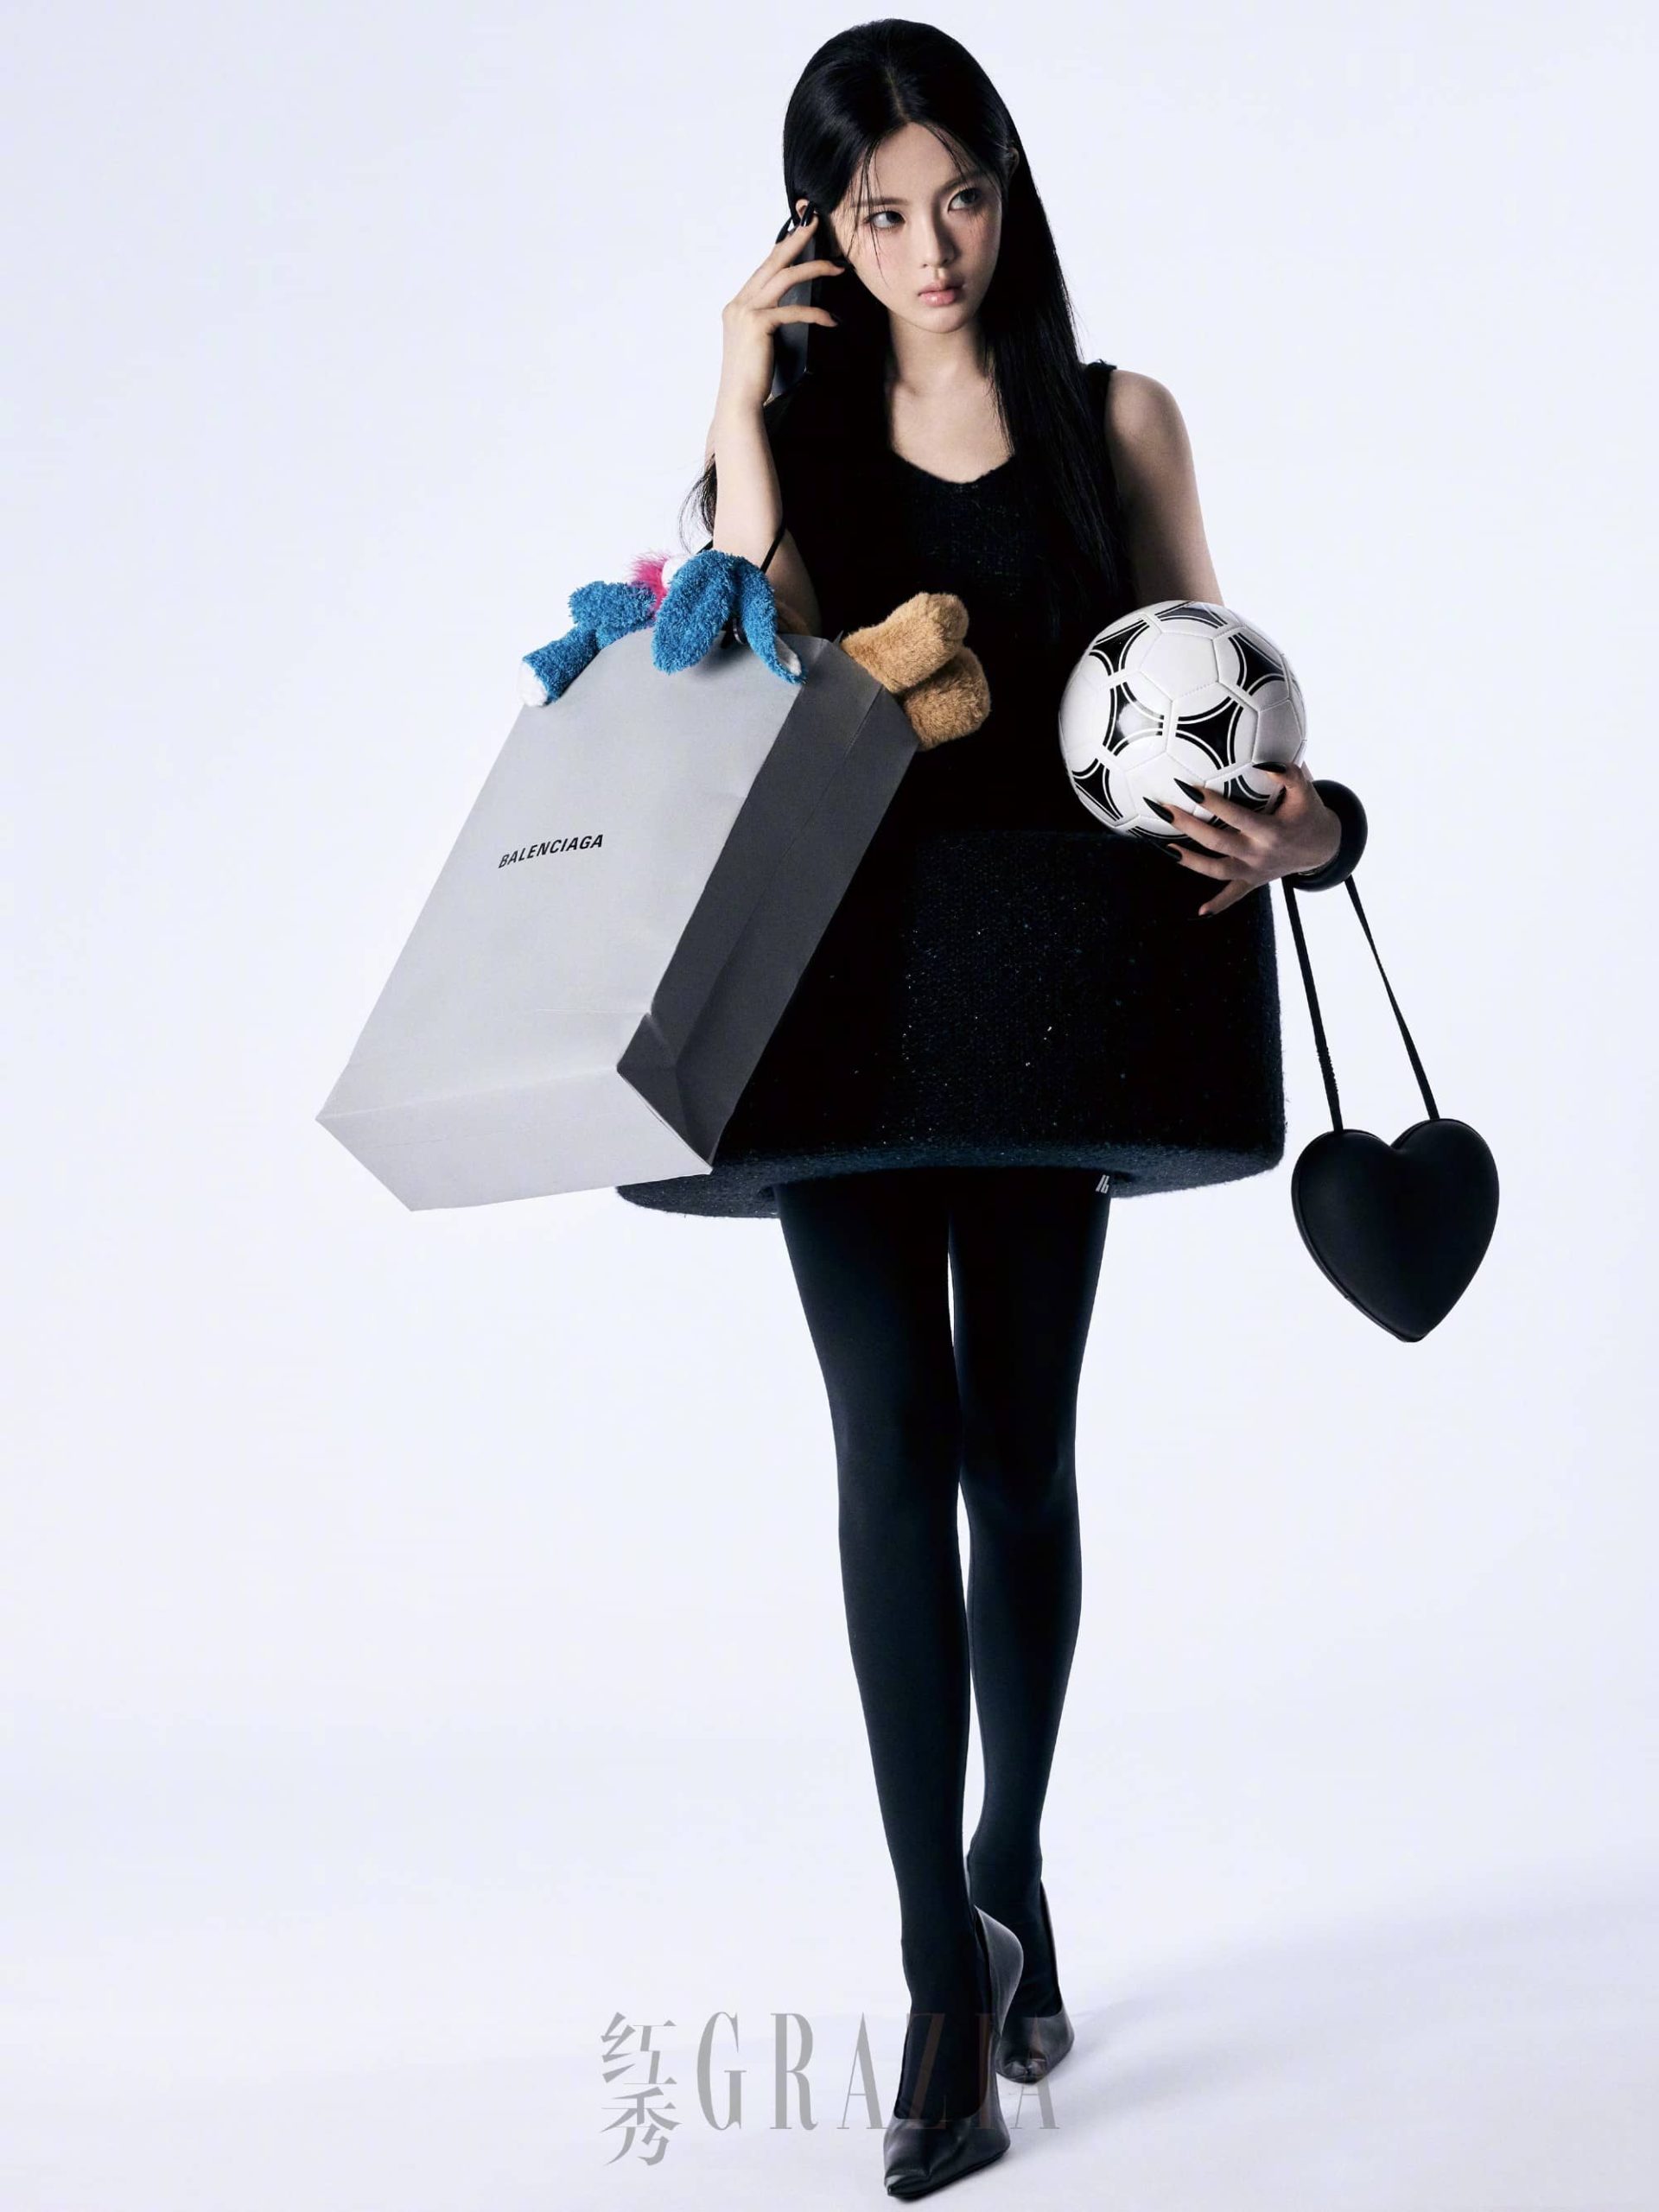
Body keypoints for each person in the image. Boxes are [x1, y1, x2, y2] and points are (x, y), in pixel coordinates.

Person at [616, 22, 1357, 2200]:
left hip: (1058, 1004)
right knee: (890, 1448)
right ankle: (938, 1969)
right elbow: (728, 688)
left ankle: (1007, 1857)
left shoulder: (1116, 419)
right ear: (815, 234)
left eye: (960, 195)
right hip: (836, 1009)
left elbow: (1218, 698)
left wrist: (1304, 824)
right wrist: (739, 403)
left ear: (1008, 187)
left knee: (1017, 1453)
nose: (930, 248)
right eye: (877, 213)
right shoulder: (792, 437)